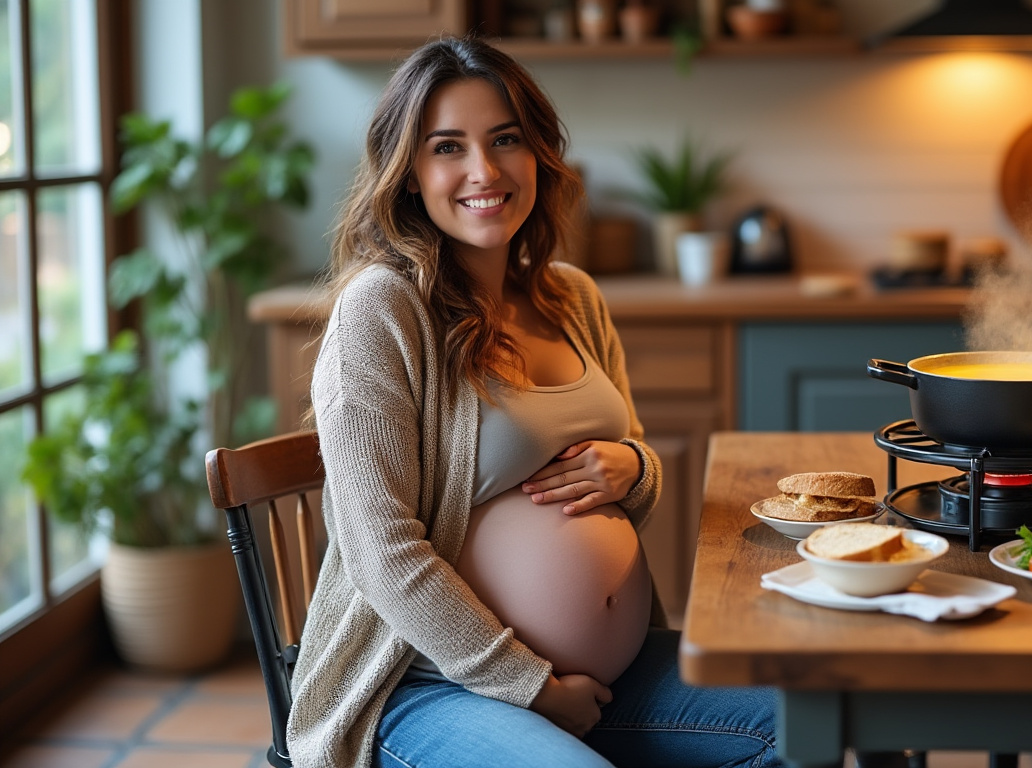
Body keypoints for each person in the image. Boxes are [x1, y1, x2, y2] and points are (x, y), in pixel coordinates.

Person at [290, 36, 782, 768]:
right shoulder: (383, 309)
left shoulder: (573, 295)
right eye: (448, 147)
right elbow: (380, 553)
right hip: (427, 685)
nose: (483, 171)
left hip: (605, 679)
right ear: (409, 174)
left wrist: (632, 467)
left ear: (539, 155)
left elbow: (638, 460)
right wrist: (529, 686)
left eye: (505, 140)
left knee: (815, 721)